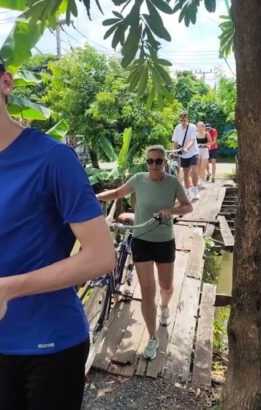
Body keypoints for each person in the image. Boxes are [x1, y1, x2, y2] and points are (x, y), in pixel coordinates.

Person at [0, 31, 115, 410]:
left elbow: (102, 257)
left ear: (5, 83)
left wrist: (2, 289)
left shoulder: (53, 159)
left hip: (53, 344)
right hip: (5, 339)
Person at [95, 145, 192, 360]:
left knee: (166, 287)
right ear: (146, 162)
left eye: (158, 161)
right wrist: (94, 196)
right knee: (148, 290)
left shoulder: (173, 183)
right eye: (150, 161)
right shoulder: (138, 179)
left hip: (164, 241)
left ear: (164, 162)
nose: (154, 165)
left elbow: (188, 206)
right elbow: (118, 193)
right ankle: (152, 338)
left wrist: (171, 211)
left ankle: (165, 307)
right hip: (141, 240)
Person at [172, 112, 200, 201]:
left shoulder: (192, 127)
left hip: (193, 152)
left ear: (187, 119)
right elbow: (175, 142)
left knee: (194, 172)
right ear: (179, 119)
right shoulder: (177, 128)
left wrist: (187, 148)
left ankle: (195, 190)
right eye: (181, 119)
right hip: (183, 154)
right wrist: (174, 151)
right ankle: (188, 192)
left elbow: (192, 140)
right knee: (185, 173)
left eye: (184, 119)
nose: (183, 121)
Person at [195, 121, 210, 186]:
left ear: (204, 127)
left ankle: (203, 181)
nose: (200, 128)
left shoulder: (207, 134)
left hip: (205, 151)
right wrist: (198, 145)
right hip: (197, 151)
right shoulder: (195, 134)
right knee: (198, 167)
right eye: (199, 127)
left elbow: (210, 142)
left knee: (202, 168)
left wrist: (204, 144)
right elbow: (193, 142)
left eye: (201, 127)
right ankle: (199, 180)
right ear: (197, 127)